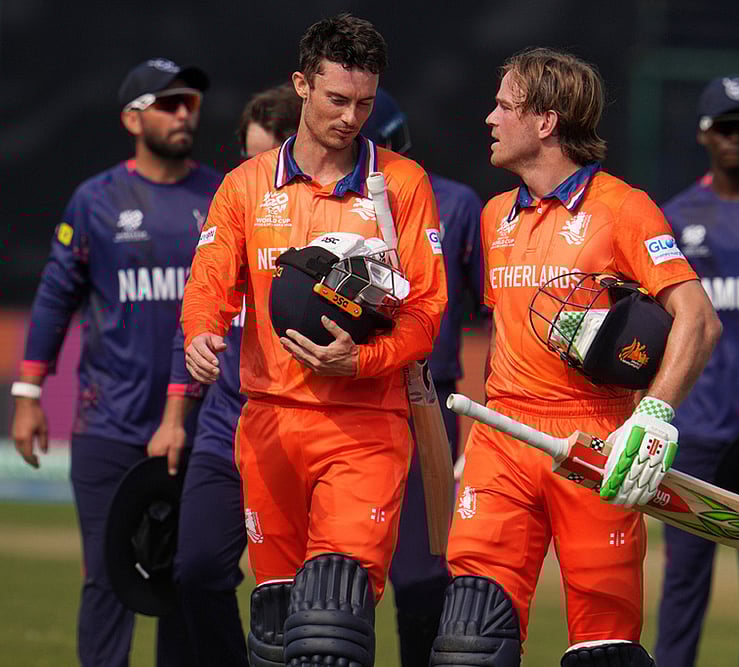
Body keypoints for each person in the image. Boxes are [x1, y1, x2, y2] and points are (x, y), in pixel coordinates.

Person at [431, 47, 720, 667]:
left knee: (604, 652)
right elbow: (503, 336)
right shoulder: (492, 217)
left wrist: (653, 418)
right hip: (501, 440)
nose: (489, 118)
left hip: (594, 445)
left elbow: (698, 319)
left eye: (504, 106)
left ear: (545, 122)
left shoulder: (622, 208)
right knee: (467, 645)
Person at [181, 14, 447, 667]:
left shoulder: (404, 186)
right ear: (302, 84)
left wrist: (363, 359)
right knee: (275, 624)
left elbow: (428, 310)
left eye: (364, 102)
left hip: (365, 428)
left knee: (333, 616)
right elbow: (209, 284)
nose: (352, 116)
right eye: (337, 99)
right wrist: (201, 336)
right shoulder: (245, 186)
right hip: (267, 423)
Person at [9, 58, 220, 666]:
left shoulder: (219, 196)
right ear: (133, 117)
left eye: (191, 104)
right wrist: (27, 395)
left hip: (202, 426)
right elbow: (55, 296)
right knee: (107, 579)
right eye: (169, 103)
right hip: (109, 424)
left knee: (187, 577)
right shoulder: (95, 200)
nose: (185, 114)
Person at [149, 81, 302, 667]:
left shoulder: (329, 226)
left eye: (271, 155)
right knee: (196, 570)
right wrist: (174, 416)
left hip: (298, 424)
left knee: (301, 592)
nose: (258, 169)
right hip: (224, 424)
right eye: (248, 155)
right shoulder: (231, 210)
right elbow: (192, 316)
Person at [653, 75, 739, 667]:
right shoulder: (676, 215)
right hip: (698, 426)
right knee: (684, 583)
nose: (736, 138)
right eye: (725, 126)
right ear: (704, 134)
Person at [361, 89, 484, 666]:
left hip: (429, 401)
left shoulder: (455, 203)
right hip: (351, 395)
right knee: (342, 567)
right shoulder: (324, 201)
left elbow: (493, 311)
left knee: (424, 569)